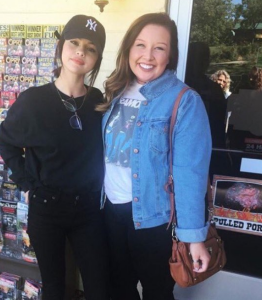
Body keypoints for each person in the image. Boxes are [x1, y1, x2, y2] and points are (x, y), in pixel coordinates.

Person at [98, 13, 212, 300]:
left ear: (170, 54)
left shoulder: (185, 101)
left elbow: (190, 174)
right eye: (140, 45)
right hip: (111, 211)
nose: (148, 55)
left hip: (153, 220)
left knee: (157, 293)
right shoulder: (116, 90)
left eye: (159, 48)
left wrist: (193, 236)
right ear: (128, 49)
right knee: (118, 289)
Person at [0, 15, 109, 300]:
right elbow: (5, 140)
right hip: (47, 209)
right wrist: (27, 181)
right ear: (61, 47)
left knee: (99, 286)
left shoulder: (99, 103)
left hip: (89, 211)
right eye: (74, 43)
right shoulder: (33, 101)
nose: (81, 51)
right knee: (55, 288)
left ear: (96, 58)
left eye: (90, 48)